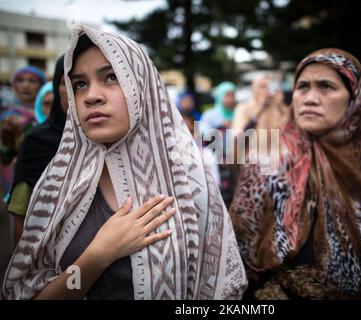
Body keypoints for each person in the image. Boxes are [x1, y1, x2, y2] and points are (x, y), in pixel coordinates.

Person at [1, 26, 246, 300]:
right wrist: (98, 255)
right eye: (80, 83)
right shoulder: (57, 185)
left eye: (111, 77)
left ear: (141, 86)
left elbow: (221, 291)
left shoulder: (189, 183)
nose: (91, 95)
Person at [229, 48, 361, 300]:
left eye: (326, 87)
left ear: (353, 97)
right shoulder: (265, 166)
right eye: (302, 87)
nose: (310, 98)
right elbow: (239, 263)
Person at [7, 56, 68, 248]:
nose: (90, 94)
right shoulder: (37, 140)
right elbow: (21, 217)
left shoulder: (110, 139)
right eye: (76, 82)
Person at [0, 66, 46, 201]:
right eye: (20, 80)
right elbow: (5, 155)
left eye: (32, 81)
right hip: (14, 179)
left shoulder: (50, 115)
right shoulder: (8, 118)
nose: (25, 85)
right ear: (13, 85)